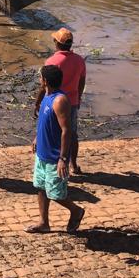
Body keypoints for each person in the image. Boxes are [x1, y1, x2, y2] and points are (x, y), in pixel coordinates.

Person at [27, 64, 85, 234]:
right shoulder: (47, 95)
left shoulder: (60, 100)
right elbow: (45, 121)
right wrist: (37, 137)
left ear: (44, 81)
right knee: (40, 187)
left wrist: (63, 159)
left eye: (40, 78)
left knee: (56, 194)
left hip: (54, 158)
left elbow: (66, 131)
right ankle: (44, 222)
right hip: (42, 154)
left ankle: (76, 211)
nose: (40, 80)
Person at [34, 28, 86, 174]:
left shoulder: (52, 61)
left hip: (54, 102)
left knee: (53, 132)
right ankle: (73, 165)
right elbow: (82, 81)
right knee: (71, 133)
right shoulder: (79, 60)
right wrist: (78, 96)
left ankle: (55, 160)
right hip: (73, 102)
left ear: (56, 43)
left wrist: (38, 102)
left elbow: (45, 86)